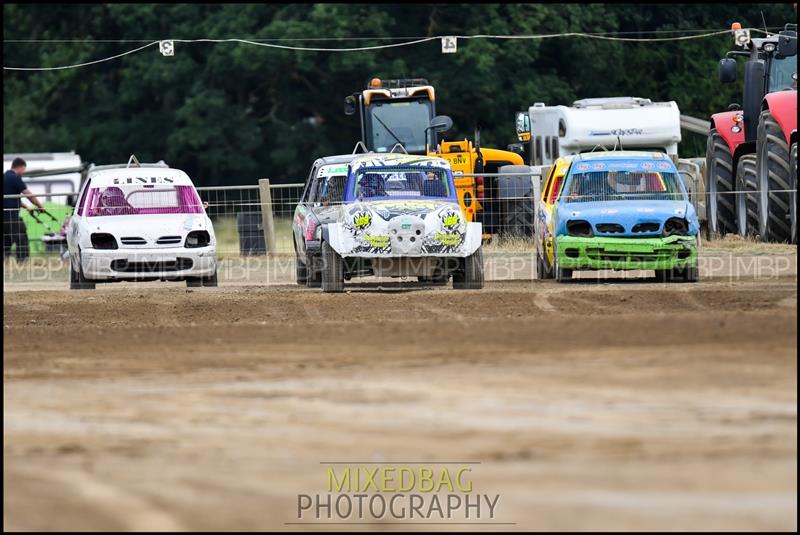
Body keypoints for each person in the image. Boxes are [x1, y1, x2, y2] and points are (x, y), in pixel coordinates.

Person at [4, 157, 44, 261]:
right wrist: (40, 206)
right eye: (24, 169)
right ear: (20, 167)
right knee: (21, 236)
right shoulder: (15, 178)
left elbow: (12, 198)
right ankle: (23, 260)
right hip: (11, 216)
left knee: (7, 239)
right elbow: (28, 195)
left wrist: (27, 207)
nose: (23, 172)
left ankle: (6, 259)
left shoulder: (5, 177)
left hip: (5, 216)